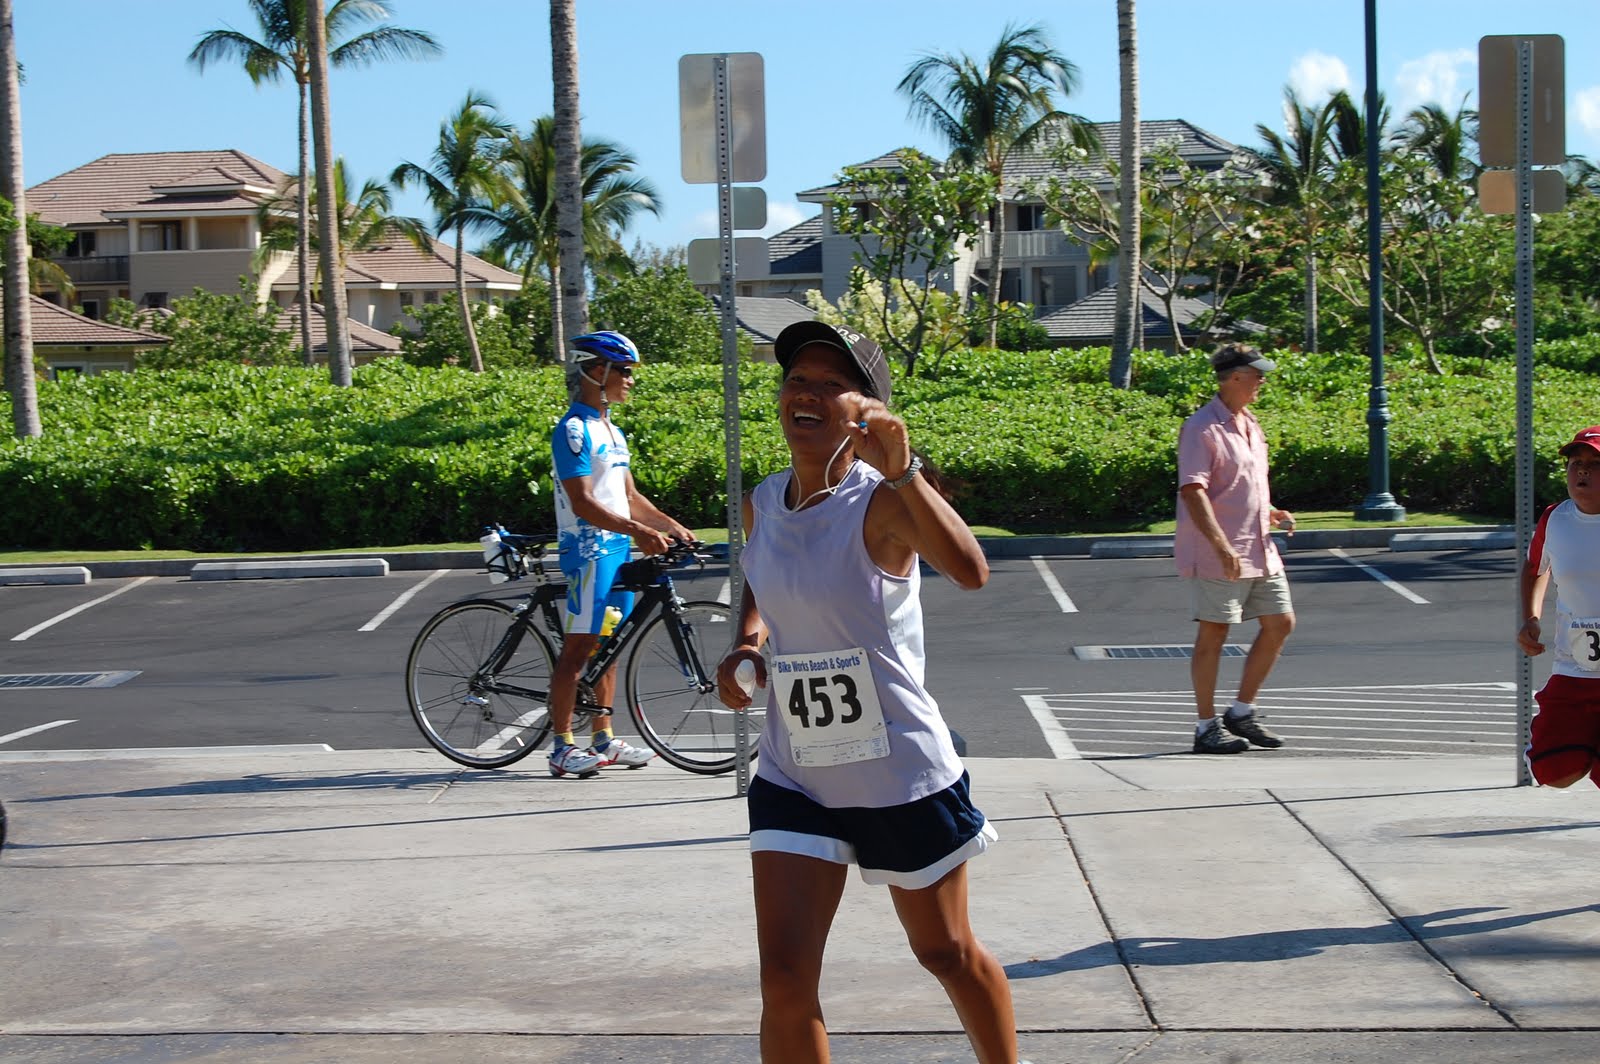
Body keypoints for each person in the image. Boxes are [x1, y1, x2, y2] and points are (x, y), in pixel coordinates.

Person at [716, 321, 1020, 1064]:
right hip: (797, 770)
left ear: (866, 409)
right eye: (797, 381)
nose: (808, 394)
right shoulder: (763, 501)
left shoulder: (880, 502)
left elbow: (971, 570)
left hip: (897, 769)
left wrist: (904, 468)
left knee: (945, 953)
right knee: (785, 979)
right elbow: (762, 575)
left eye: (832, 383)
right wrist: (747, 643)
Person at [547, 330, 693, 778]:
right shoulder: (572, 430)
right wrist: (638, 531)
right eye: (624, 372)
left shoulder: (612, 429)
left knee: (608, 647)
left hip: (617, 548)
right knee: (579, 650)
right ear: (597, 371)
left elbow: (629, 496)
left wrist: (669, 525)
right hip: (589, 550)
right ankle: (560, 746)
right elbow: (584, 503)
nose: (630, 380)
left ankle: (604, 738)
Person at [1175, 343, 1295, 755]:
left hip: (1259, 545)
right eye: (1257, 374)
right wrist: (1221, 545)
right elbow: (1193, 491)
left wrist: (1273, 512)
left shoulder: (1250, 424)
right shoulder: (1201, 428)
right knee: (1215, 633)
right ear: (1235, 377)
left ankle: (1241, 712)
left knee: (1281, 622)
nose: (1262, 381)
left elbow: (1245, 484)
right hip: (1218, 551)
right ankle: (1205, 727)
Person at [1518, 425, 1600, 789]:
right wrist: (1531, 618)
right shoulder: (1556, 518)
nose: (1582, 470)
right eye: (1576, 462)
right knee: (1553, 769)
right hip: (1574, 669)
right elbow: (1537, 567)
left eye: (1595, 463)